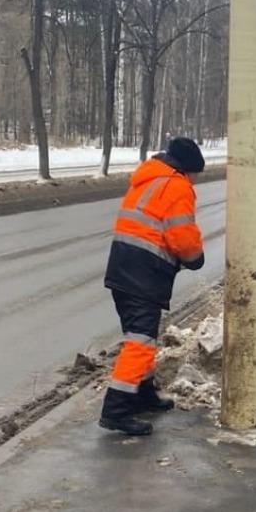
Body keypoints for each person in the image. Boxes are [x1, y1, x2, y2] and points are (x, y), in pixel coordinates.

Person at [100, 137, 206, 435]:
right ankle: (116, 410)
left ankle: (142, 395)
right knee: (140, 342)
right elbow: (182, 237)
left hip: (122, 269)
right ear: (188, 169)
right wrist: (195, 258)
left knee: (140, 337)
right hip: (143, 275)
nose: (195, 181)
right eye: (196, 175)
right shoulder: (177, 186)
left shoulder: (148, 178)